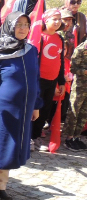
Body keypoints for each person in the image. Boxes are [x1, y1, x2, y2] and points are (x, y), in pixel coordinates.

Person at [0, 13, 42, 200]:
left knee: (12, 145)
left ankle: (1, 186)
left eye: (26, 25)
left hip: (23, 109)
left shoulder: (31, 50)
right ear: (9, 26)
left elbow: (35, 79)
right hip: (0, 112)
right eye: (19, 25)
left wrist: (36, 105)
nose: (23, 29)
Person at [31, 9, 65, 152]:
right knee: (35, 109)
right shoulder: (40, 37)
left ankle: (37, 136)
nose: (57, 22)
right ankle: (30, 137)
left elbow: (60, 61)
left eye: (59, 19)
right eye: (54, 19)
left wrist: (61, 81)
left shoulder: (59, 38)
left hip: (52, 80)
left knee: (45, 110)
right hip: (39, 80)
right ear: (46, 20)